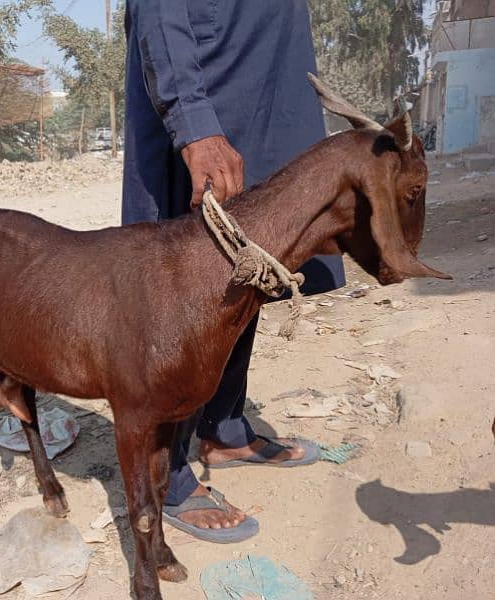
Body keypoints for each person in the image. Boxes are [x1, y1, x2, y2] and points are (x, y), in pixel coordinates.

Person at [122, 0, 346, 542]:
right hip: (209, 80)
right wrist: (194, 122)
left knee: (253, 264)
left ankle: (222, 428)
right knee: (185, 280)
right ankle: (164, 469)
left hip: (267, 75)